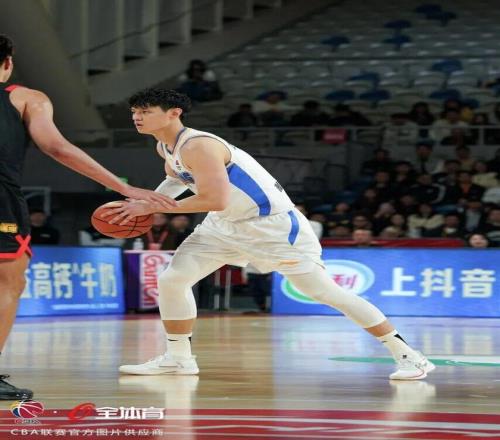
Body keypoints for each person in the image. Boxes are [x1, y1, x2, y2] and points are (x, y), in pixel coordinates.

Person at [105, 88, 434, 380]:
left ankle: (408, 355)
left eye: (145, 111)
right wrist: (148, 202)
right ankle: (179, 359)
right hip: (222, 226)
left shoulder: (199, 145)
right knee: (172, 280)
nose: (137, 117)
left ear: (173, 113)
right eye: (134, 112)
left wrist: (153, 208)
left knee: (327, 293)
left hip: (271, 227)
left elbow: (214, 198)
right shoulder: (166, 147)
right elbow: (177, 179)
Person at [0, 35, 175, 400]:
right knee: (6, 284)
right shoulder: (25, 98)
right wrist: (123, 186)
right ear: (7, 63)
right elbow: (57, 147)